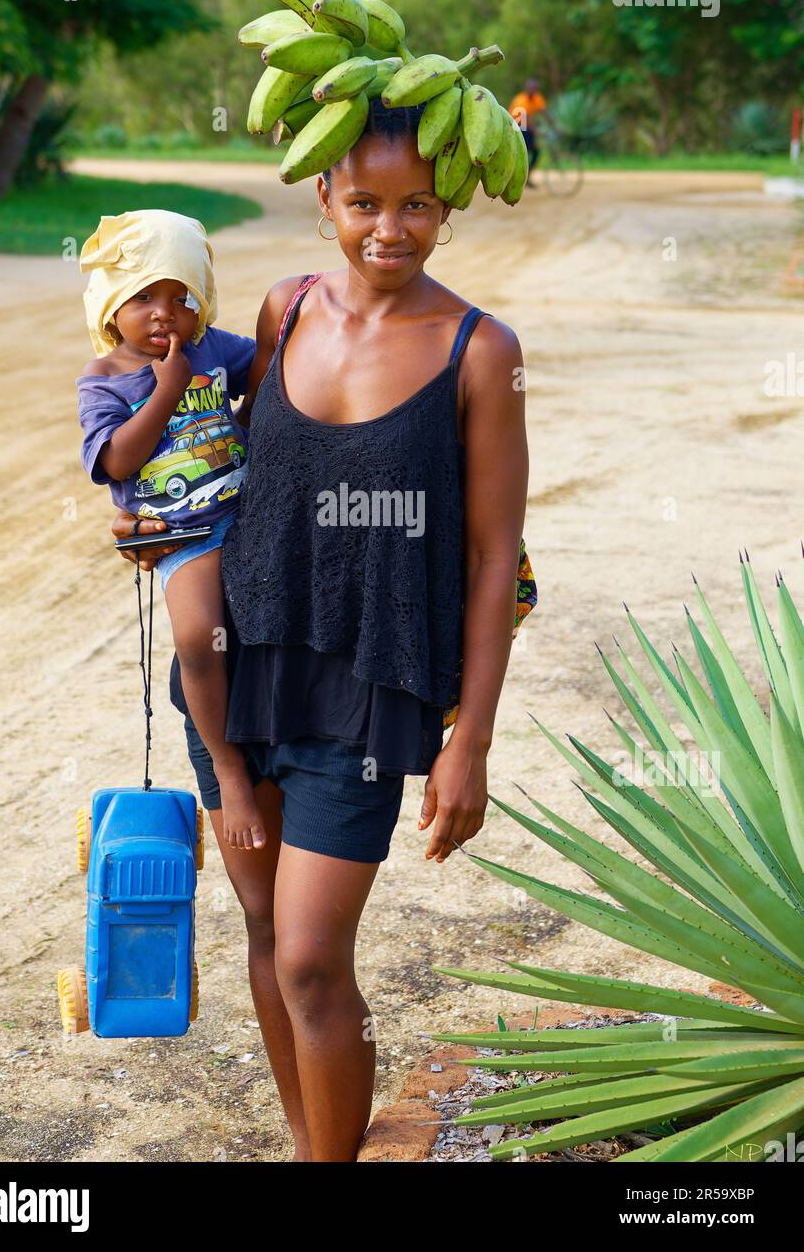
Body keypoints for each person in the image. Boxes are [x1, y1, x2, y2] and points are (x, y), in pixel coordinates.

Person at [112, 99, 530, 1162]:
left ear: (448, 208)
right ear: (322, 201)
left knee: (306, 956)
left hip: (368, 682)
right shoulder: (283, 309)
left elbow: (492, 559)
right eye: (363, 203)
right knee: (260, 934)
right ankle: (310, 1145)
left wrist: (468, 738)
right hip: (243, 663)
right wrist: (145, 517)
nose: (388, 230)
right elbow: (226, 461)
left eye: (416, 206)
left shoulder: (479, 351)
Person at [76, 209, 265, 849]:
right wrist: (167, 391)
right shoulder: (103, 380)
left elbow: (271, 366)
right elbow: (117, 461)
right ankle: (231, 771)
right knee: (194, 640)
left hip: (249, 515)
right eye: (144, 297)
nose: (164, 313)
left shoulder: (214, 347)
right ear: (110, 305)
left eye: (181, 297)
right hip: (184, 535)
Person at [508, 77, 548, 185]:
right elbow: (525, 118)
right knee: (525, 152)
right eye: (530, 88)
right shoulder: (521, 99)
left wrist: (556, 126)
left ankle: (525, 177)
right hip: (517, 127)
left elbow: (545, 112)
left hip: (526, 127)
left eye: (534, 89)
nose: (532, 90)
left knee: (534, 152)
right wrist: (537, 131)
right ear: (526, 88)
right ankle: (518, 177)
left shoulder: (537, 98)